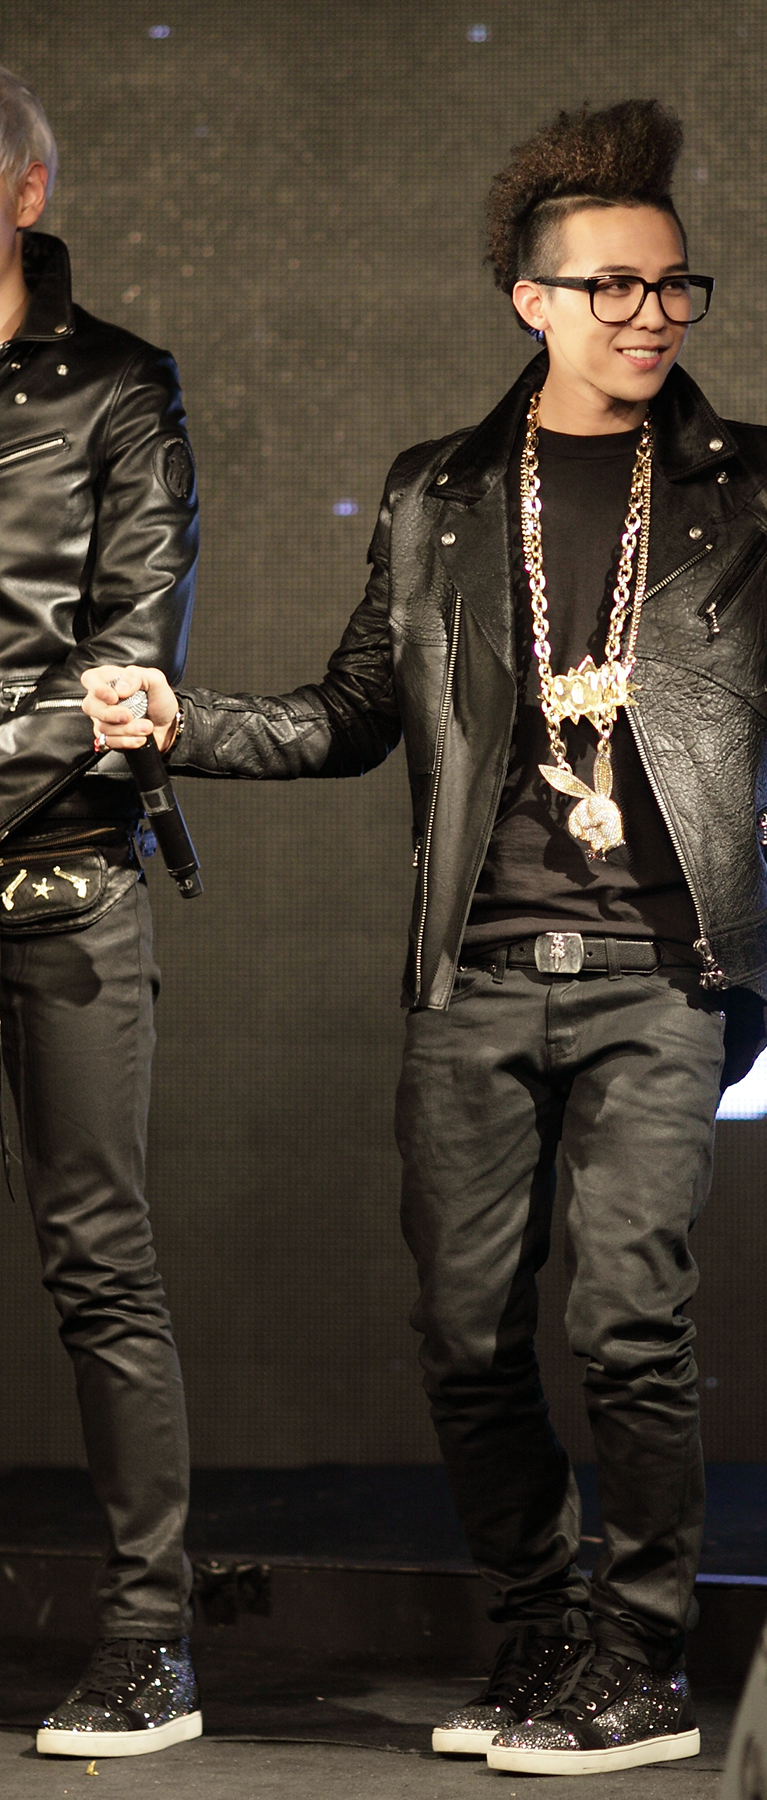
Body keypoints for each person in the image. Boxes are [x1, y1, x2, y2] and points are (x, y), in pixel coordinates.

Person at [83, 98, 767, 1776]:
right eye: (616, 287)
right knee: (469, 1332)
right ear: (533, 300)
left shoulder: (754, 481)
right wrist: (182, 722)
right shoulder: (439, 494)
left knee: (629, 1314)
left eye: (675, 285)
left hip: (665, 971)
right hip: (477, 975)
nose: (654, 315)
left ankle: (640, 1660)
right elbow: (352, 714)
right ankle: (544, 1634)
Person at [0, 66, 201, 1760]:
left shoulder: (120, 389)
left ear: (26, 192)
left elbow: (125, 665)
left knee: (98, 1260)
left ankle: (148, 1640)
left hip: (62, 878)